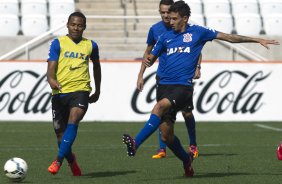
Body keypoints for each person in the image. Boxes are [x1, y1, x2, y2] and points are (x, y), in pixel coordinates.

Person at [123, 0, 279, 177]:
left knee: (159, 108)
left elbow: (228, 37)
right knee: (167, 137)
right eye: (169, 18)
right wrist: (147, 62)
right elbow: (151, 57)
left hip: (182, 86)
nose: (170, 21)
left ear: (185, 18)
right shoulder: (164, 36)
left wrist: (256, 39)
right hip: (163, 86)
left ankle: (136, 143)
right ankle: (187, 161)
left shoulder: (198, 32)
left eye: (174, 18)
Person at [137, 0, 199, 159]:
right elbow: (148, 52)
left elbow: (195, 49)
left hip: (182, 80)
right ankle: (162, 148)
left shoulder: (188, 32)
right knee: (163, 116)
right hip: (163, 78)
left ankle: (193, 145)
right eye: (162, 13)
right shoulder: (156, 30)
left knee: (186, 113)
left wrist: (198, 67)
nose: (165, 16)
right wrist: (141, 74)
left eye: (168, 13)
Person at [46, 11, 101, 176]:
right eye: (73, 24)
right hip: (60, 92)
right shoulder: (58, 43)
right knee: (61, 138)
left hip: (81, 90)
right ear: (67, 25)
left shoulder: (91, 45)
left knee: (74, 118)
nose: (76, 28)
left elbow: (97, 67)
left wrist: (98, 89)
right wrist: (50, 79)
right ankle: (72, 161)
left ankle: (57, 161)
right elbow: (51, 65)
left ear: (84, 27)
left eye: (79, 25)